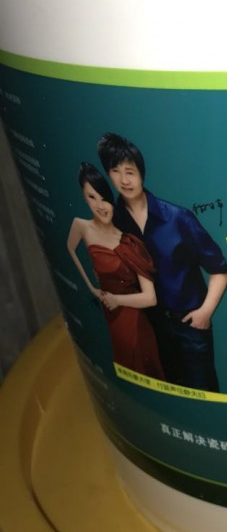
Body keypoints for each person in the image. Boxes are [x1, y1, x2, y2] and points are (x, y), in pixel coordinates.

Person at [97, 132, 227, 393]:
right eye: (115, 172)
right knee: (163, 392)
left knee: (203, 395)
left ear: (142, 173)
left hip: (189, 323)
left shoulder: (178, 218)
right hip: (148, 326)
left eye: (130, 172)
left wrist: (205, 312)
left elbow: (219, 269)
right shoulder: (114, 223)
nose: (124, 180)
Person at [67, 162, 165, 380]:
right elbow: (70, 249)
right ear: (84, 197)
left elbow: (150, 298)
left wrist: (117, 300)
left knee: (139, 370)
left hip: (134, 321)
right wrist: (91, 287)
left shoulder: (130, 242)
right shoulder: (81, 226)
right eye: (92, 197)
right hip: (110, 315)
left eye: (104, 198)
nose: (100, 206)